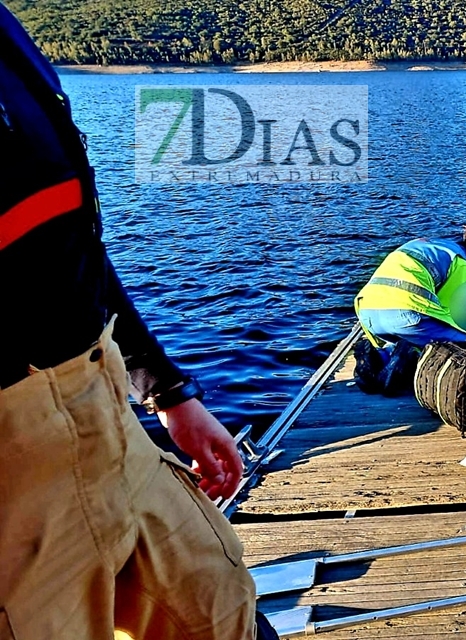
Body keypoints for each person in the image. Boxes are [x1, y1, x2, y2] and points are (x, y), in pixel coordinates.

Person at [0, 7, 276, 640]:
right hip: (14, 469)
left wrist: (166, 388)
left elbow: (70, 240)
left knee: (220, 608)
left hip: (107, 406)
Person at [353, 223, 466, 348]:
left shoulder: (428, 245)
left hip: (368, 314)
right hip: (406, 315)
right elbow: (451, 314)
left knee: (407, 343)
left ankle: (382, 356)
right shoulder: (461, 263)